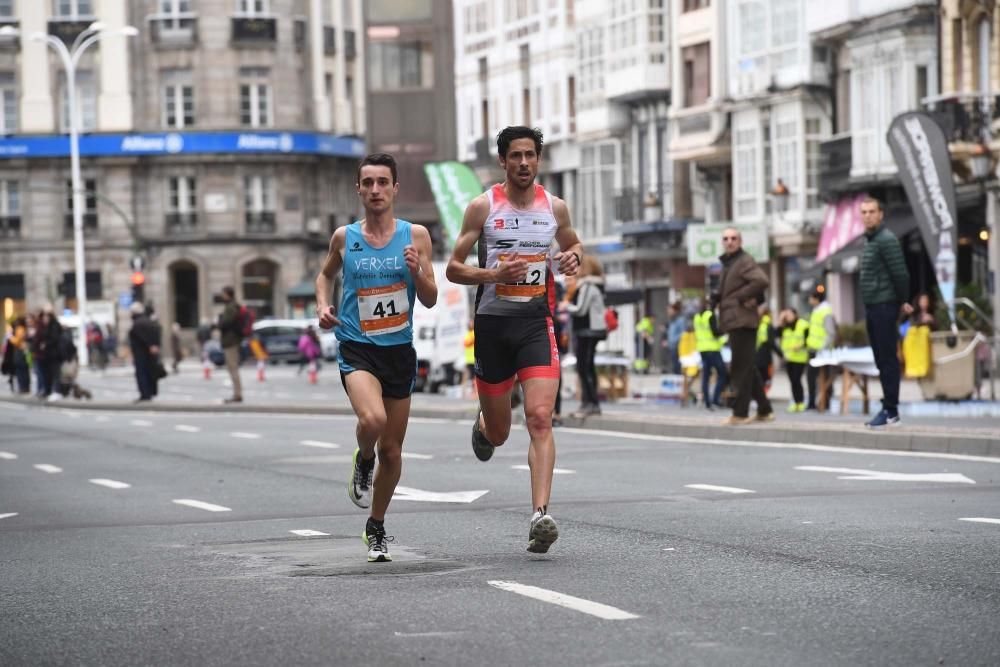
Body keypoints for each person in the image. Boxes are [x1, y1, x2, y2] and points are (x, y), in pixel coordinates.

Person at [447, 125, 582, 554]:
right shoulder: (482, 207)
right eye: (515, 156)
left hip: (534, 324)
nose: (523, 163)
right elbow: (452, 268)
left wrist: (574, 256)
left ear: (538, 160)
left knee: (540, 417)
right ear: (503, 161)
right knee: (503, 432)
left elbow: (574, 246)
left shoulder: (554, 207)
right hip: (491, 327)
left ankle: (540, 515)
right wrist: (492, 274)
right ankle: (485, 425)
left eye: (530, 155)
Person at [315, 152, 437, 563]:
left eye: (383, 182)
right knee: (373, 422)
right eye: (368, 183)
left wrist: (418, 271)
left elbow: (432, 298)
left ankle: (376, 526)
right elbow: (325, 275)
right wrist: (322, 306)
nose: (375, 190)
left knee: (394, 451)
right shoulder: (344, 237)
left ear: (395, 188)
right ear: (359, 189)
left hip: (398, 351)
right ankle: (362, 459)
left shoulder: (416, 236)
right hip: (357, 346)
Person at [859, 196, 912, 428]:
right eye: (864, 212)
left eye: (872, 211)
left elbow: (901, 274)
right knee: (881, 359)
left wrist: (903, 300)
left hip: (884, 305)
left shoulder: (886, 240)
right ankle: (889, 408)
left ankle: (891, 410)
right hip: (873, 306)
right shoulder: (871, 241)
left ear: (881, 214)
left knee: (888, 359)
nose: (868, 215)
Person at [717, 227, 774, 425]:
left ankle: (740, 412)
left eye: (733, 238)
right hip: (735, 320)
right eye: (726, 238)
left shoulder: (744, 260)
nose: (729, 241)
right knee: (747, 366)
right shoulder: (730, 263)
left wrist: (741, 297)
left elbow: (761, 280)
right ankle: (764, 410)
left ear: (740, 241)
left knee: (740, 367)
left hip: (743, 320)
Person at [563, 254, 607, 418]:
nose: (576, 270)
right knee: (585, 366)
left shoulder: (588, 285)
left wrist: (567, 306)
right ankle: (589, 402)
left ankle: (591, 402)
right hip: (588, 330)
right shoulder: (592, 285)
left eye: (579, 267)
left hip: (589, 330)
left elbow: (581, 308)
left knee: (585, 366)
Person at [693, 294, 727, 410]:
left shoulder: (697, 316)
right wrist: (725, 332)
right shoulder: (710, 315)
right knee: (723, 374)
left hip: (702, 349)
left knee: (706, 376)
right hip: (712, 349)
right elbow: (715, 333)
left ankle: (707, 402)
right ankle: (715, 399)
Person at [805, 287, 836, 411]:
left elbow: (831, 333)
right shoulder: (816, 310)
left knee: (824, 377)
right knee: (812, 378)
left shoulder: (825, 311)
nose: (809, 300)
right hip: (813, 349)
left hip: (822, 351)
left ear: (816, 299)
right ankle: (813, 402)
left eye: (811, 298)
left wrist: (823, 347)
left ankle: (825, 402)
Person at [128, 301, 161, 402]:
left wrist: (150, 345)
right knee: (149, 372)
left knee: (142, 373)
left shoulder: (138, 323)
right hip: (149, 353)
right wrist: (155, 345)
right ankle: (149, 393)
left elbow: (141, 337)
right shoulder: (149, 321)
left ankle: (145, 394)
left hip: (141, 353)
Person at [778, 307, 809, 412]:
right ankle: (796, 402)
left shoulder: (803, 324)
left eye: (789, 314)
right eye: (786, 314)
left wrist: (801, 346)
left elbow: (808, 339)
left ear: (795, 314)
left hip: (800, 358)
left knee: (796, 379)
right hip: (789, 358)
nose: (788, 316)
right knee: (792, 381)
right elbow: (776, 333)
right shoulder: (785, 327)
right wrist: (780, 320)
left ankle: (800, 402)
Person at [217, 286, 244, 403]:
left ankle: (237, 394)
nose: (221, 296)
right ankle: (237, 393)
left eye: (223, 293)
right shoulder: (232, 306)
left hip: (231, 341)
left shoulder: (231, 307)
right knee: (232, 368)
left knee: (233, 368)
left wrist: (220, 321)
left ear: (228, 294)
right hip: (231, 340)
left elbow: (226, 323)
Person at [755, 305, 778, 392]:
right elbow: (771, 343)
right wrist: (781, 354)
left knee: (759, 377)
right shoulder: (768, 324)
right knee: (766, 378)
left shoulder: (758, 323)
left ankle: (759, 396)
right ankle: (762, 397)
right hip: (765, 356)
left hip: (757, 355)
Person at [666, 301, 686, 374]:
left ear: (675, 310)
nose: (668, 312)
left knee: (677, 365)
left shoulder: (680, 320)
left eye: (669, 310)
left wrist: (674, 340)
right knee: (674, 365)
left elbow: (683, 333)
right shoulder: (672, 320)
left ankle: (679, 380)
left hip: (678, 346)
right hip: (672, 346)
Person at [462, 319, 477, 399]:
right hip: (469, 360)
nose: (470, 324)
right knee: (471, 377)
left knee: (474, 377)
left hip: (473, 359)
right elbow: (465, 343)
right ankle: (472, 392)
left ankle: (475, 392)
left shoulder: (474, 333)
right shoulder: (469, 334)